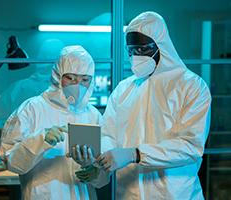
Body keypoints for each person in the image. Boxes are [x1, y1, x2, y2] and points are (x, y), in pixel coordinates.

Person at [72, 11, 211, 199]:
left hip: (175, 195)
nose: (136, 56)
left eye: (142, 49)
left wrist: (135, 154)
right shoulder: (124, 90)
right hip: (129, 194)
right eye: (131, 51)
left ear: (161, 46)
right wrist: (99, 163)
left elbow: (190, 146)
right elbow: (109, 135)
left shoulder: (191, 86)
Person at [0, 45, 102, 200]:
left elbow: (104, 172)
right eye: (71, 78)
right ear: (57, 75)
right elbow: (12, 163)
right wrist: (40, 140)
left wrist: (95, 171)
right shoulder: (32, 109)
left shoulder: (93, 115)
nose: (78, 85)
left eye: (85, 79)